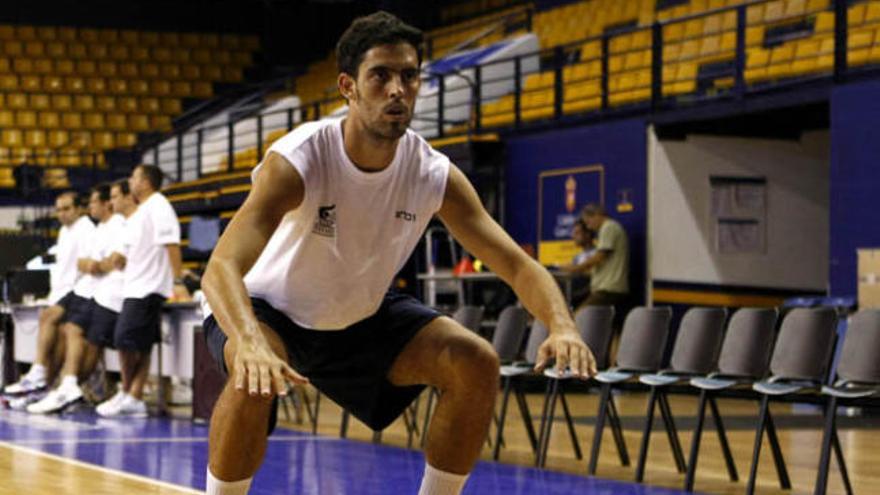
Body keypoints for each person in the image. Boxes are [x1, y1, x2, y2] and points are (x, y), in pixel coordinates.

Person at [200, 11, 596, 495]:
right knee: (250, 376)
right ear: (348, 86)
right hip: (266, 309)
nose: (397, 89)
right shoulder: (299, 160)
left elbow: (514, 262)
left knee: (475, 362)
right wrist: (247, 340)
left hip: (358, 315)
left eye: (409, 76)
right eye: (380, 76)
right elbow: (220, 268)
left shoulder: (432, 173)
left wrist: (562, 325)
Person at [27, 183, 128, 414]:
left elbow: (113, 261)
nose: (91, 206)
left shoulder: (115, 225)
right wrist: (97, 265)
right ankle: (64, 384)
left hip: (111, 294)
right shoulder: (99, 228)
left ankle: (71, 387)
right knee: (70, 330)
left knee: (91, 343)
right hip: (94, 291)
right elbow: (85, 263)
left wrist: (97, 265)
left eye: (93, 202)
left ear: (106, 203)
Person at [96, 165, 187, 417]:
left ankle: (133, 394)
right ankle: (129, 394)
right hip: (134, 286)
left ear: (145, 182)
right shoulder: (142, 212)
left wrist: (177, 282)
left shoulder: (159, 205)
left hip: (150, 287)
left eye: (134, 177)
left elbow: (171, 245)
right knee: (135, 342)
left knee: (127, 340)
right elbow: (130, 254)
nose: (131, 180)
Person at [3, 191, 94, 402]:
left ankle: (37, 370)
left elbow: (85, 266)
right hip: (59, 292)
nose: (61, 214)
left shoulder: (86, 229)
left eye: (66, 209)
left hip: (77, 292)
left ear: (79, 208)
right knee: (57, 342)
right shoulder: (64, 231)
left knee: (47, 317)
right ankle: (44, 387)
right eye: (58, 210)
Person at [576, 203, 630, 311]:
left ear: (597, 215)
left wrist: (576, 268)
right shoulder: (609, 228)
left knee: (580, 318)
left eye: (588, 222)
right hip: (607, 288)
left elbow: (600, 257)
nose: (588, 227)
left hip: (608, 288)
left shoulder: (608, 227)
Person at [557, 219, 595, 307]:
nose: (573, 236)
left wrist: (575, 269)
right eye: (573, 233)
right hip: (572, 293)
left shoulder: (597, 254)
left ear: (587, 234)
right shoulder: (577, 257)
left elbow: (593, 274)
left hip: (587, 294)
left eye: (577, 233)